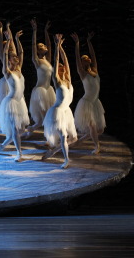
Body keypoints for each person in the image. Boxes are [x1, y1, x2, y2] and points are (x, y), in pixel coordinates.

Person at [0, 24, 30, 162]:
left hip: (20, 102)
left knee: (19, 131)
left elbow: (21, 53)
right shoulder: (7, 72)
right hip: (11, 102)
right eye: (14, 58)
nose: (17, 58)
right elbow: (5, 53)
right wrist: (7, 43)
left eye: (17, 58)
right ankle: (19, 153)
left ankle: (1, 146)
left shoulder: (19, 70)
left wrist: (16, 39)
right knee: (15, 130)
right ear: (8, 60)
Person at [42, 34, 78, 168]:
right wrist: (56, 47)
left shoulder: (68, 80)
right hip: (57, 112)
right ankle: (66, 160)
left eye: (63, 67)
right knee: (63, 136)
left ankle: (53, 151)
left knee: (73, 138)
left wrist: (61, 47)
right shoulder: (57, 81)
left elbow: (66, 61)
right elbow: (57, 60)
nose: (62, 68)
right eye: (60, 67)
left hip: (66, 111)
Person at [70, 32, 105, 154]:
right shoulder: (82, 73)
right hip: (87, 103)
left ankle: (80, 141)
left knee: (99, 130)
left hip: (95, 102)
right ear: (82, 62)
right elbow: (77, 59)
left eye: (87, 58)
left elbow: (93, 55)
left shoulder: (94, 69)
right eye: (84, 59)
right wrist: (77, 44)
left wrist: (89, 41)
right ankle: (97, 146)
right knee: (92, 126)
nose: (87, 59)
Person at [22, 19, 56, 139]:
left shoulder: (47, 60)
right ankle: (49, 138)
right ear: (37, 50)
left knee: (42, 120)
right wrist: (35, 31)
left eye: (44, 45)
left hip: (48, 90)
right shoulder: (37, 61)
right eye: (41, 46)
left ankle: (30, 130)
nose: (44, 46)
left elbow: (50, 46)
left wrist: (46, 31)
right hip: (40, 91)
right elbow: (33, 46)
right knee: (46, 117)